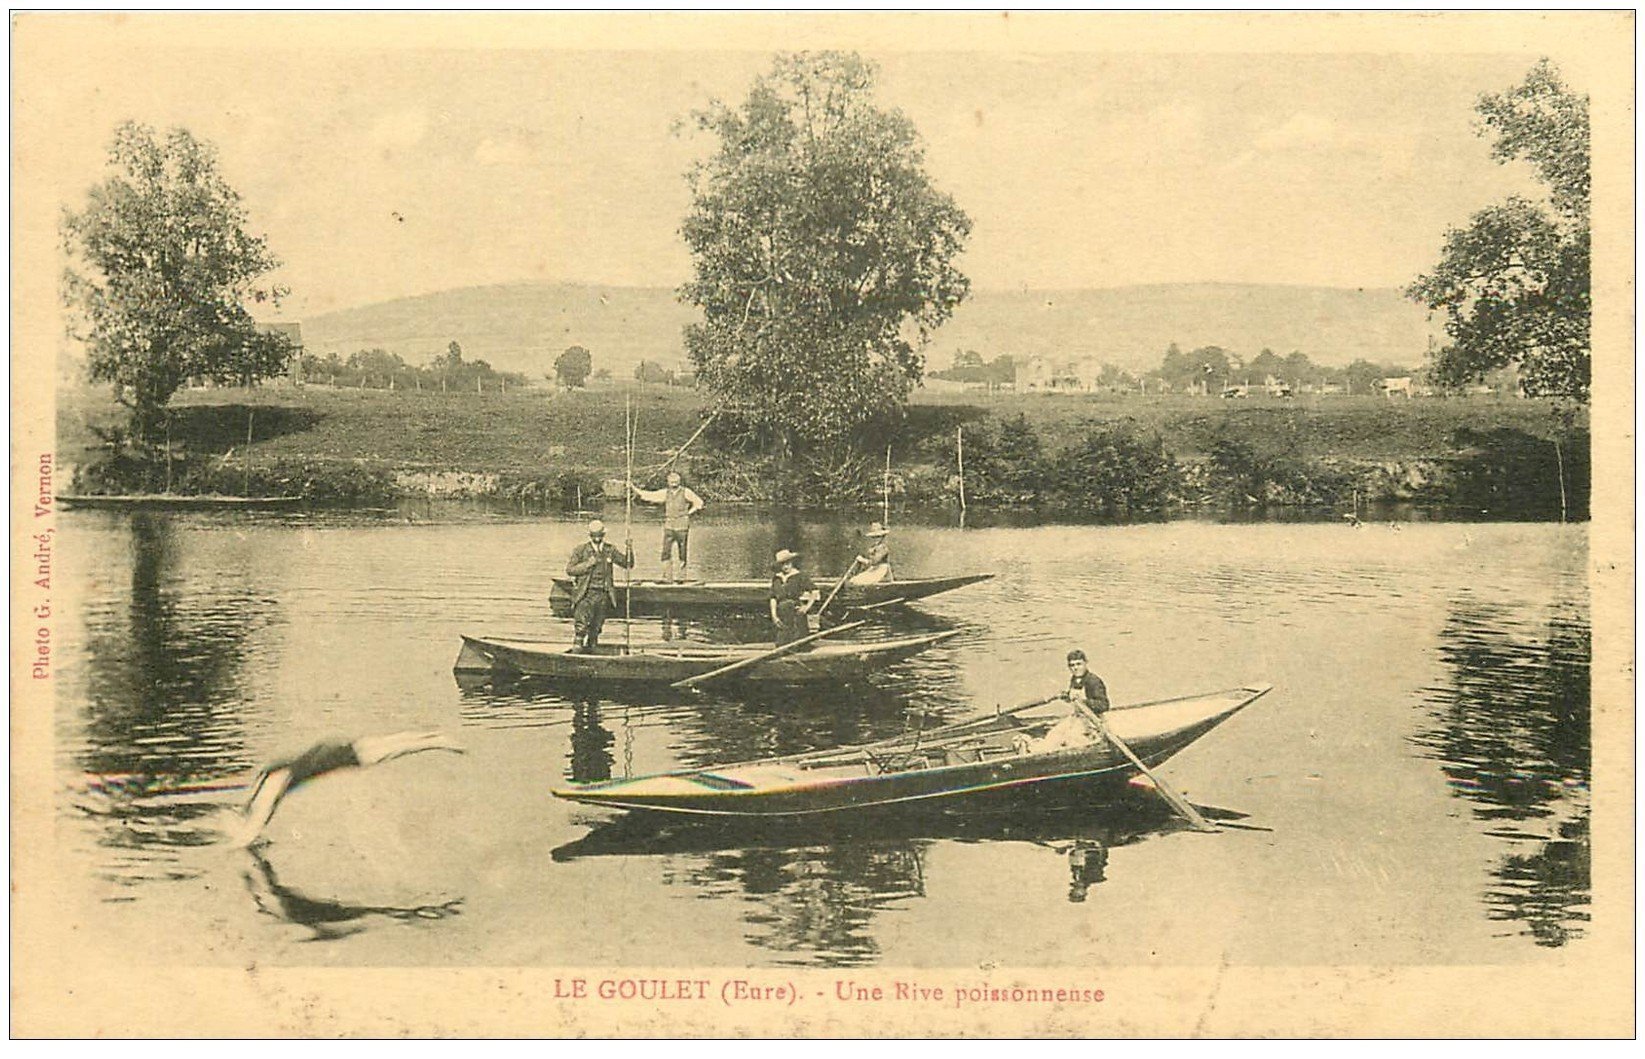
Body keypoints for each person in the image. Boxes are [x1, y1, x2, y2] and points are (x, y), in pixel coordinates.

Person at [231, 731, 465, 847]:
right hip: (337, 746)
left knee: (396, 749)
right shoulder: (274, 772)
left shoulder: (278, 779)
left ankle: (439, 742)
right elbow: (262, 789)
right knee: (393, 741)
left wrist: (243, 839)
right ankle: (435, 737)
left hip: (345, 756)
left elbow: (267, 805)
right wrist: (249, 810)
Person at [565, 518, 634, 652]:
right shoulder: (581, 550)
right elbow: (570, 570)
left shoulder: (610, 550)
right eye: (594, 535)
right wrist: (587, 564)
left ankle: (592, 652)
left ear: (603, 535)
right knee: (581, 628)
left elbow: (627, 564)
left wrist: (629, 548)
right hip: (585, 595)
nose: (597, 538)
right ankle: (575, 657)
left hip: (603, 594)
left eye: (599, 535)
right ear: (590, 535)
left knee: (596, 628)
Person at [630, 471, 705, 582]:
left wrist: (688, 513)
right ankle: (667, 578)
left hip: (682, 526)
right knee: (666, 552)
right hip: (669, 526)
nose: (673, 483)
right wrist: (632, 487)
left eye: (676, 481)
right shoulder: (665, 493)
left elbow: (699, 503)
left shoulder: (686, 492)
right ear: (668, 482)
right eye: (671, 481)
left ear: (679, 481)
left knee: (682, 552)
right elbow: (649, 495)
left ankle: (681, 577)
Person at [768, 548, 819, 646]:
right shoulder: (777, 578)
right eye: (782, 564)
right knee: (781, 643)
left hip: (795, 613)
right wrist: (774, 615)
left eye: (787, 563)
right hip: (782, 614)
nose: (785, 566)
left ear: (792, 562)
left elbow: (815, 591)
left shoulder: (799, 576)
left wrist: (807, 607)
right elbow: (773, 597)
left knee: (799, 642)